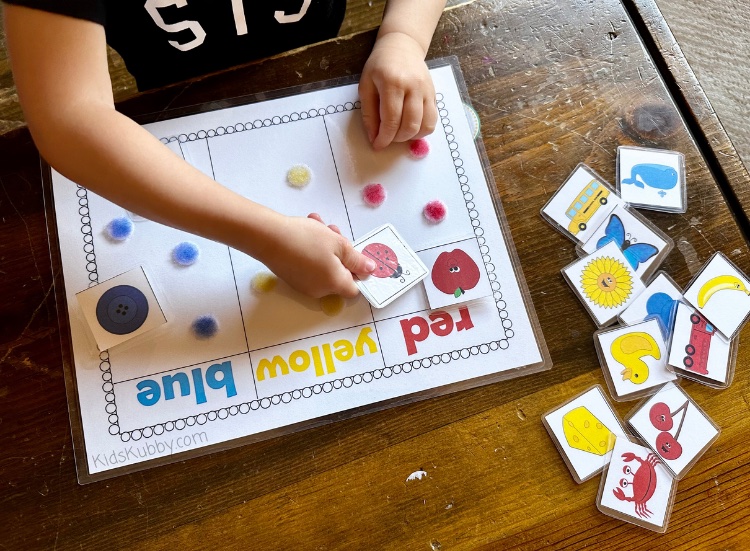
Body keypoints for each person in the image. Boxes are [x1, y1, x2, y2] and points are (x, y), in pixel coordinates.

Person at [2, 0, 444, 298]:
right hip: (180, 102)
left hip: (319, 83)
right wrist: (263, 236)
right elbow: (69, 117)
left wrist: (404, 38)